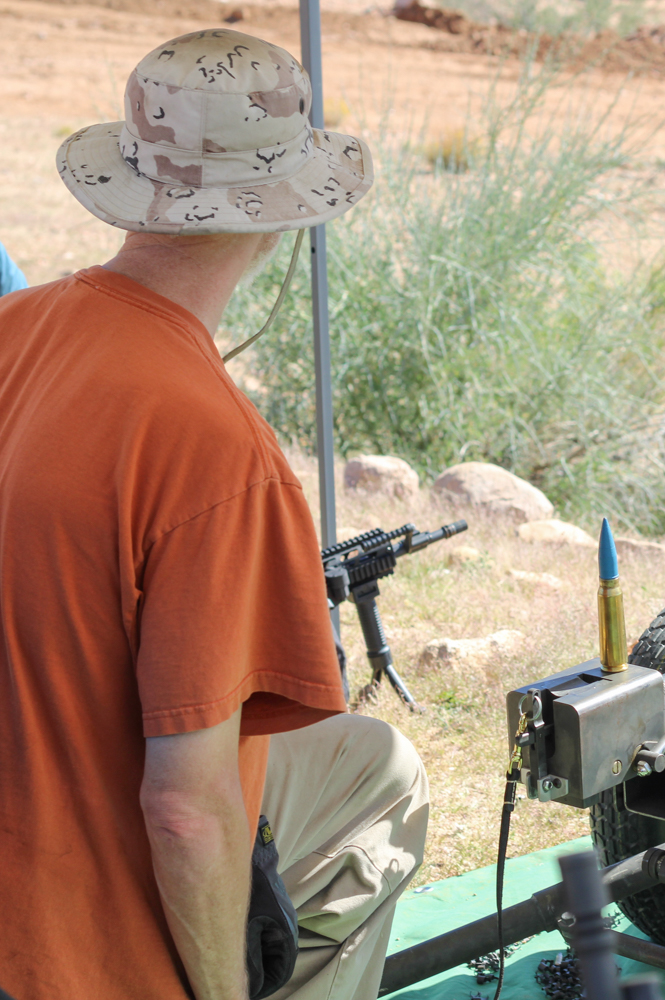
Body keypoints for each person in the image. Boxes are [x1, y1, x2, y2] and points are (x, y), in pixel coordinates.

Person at [0, 29, 428, 1000]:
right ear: (284, 217)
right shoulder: (217, 449)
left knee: (373, 760)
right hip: (70, 948)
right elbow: (184, 808)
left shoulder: (13, 327)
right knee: (377, 787)